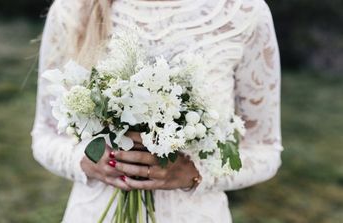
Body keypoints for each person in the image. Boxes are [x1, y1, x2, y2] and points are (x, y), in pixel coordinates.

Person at [31, 0, 283, 222]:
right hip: (95, 213)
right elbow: (44, 134)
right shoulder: (72, 8)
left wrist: (196, 173)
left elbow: (266, 150)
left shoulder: (244, 12)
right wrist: (85, 162)